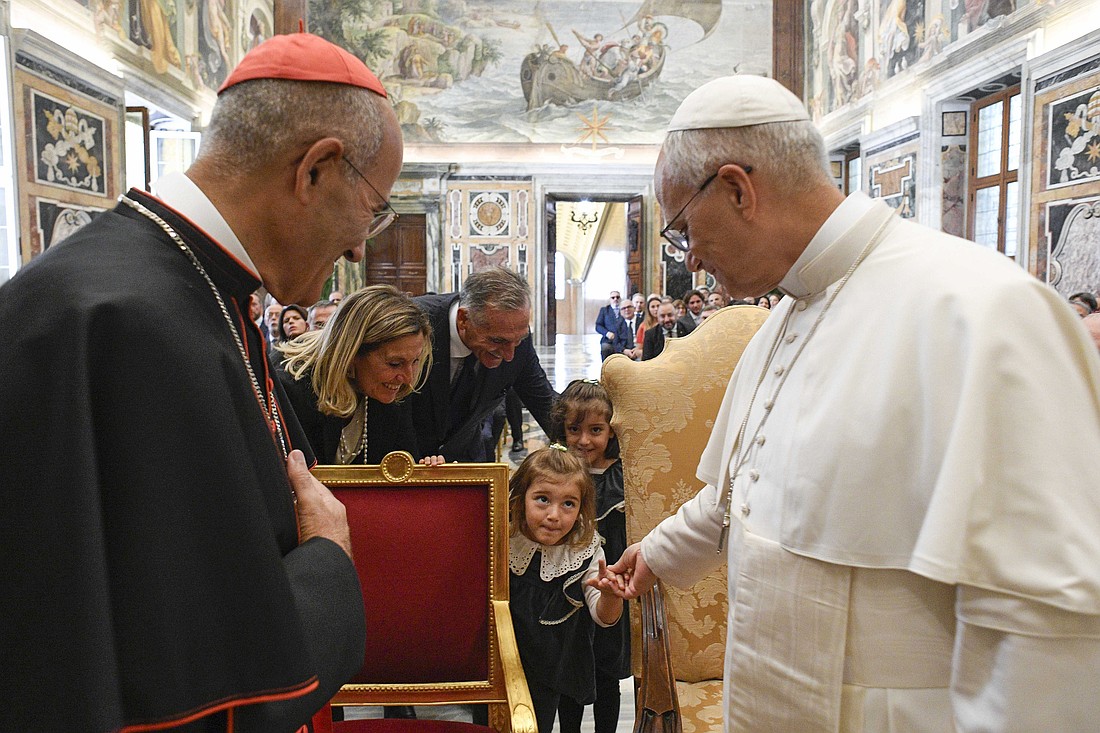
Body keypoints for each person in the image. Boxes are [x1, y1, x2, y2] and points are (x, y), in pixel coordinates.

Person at [601, 75, 1100, 731]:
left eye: (684, 228)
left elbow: (1047, 624)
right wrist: (657, 553)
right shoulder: (779, 322)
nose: (689, 258)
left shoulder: (980, 312)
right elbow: (743, 503)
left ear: (736, 188)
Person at [0, 32, 403, 731]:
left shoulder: (198, 291)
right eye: (373, 207)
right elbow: (194, 681)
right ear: (316, 170)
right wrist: (330, 562)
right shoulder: (130, 327)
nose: (362, 246)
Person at [508, 445, 624, 733]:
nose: (554, 515)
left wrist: (610, 595)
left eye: (568, 504)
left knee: (538, 725)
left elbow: (604, 616)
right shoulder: (505, 536)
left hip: (549, 667)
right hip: (501, 658)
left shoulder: (585, 549)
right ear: (521, 499)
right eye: (543, 500)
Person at [277, 285, 443, 466]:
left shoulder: (389, 388)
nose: (408, 378)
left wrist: (424, 470)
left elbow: (400, 461)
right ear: (351, 354)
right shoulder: (291, 389)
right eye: (395, 364)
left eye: (415, 361)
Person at [404, 267, 557, 462]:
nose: (509, 355)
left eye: (517, 341)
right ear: (463, 319)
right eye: (497, 341)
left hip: (468, 463)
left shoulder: (515, 339)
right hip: (402, 466)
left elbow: (545, 404)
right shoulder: (415, 321)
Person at [553, 381, 630, 733]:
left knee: (606, 673)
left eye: (595, 430)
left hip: (610, 585)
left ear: (611, 430)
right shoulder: (557, 472)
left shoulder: (623, 476)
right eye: (574, 429)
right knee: (569, 670)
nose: (584, 441)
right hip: (566, 589)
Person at [595, 290, 623, 361]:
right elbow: (598, 326)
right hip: (608, 340)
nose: (615, 299)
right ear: (610, 299)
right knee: (605, 348)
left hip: (622, 340)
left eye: (617, 297)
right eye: (613, 297)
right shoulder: (604, 310)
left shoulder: (625, 310)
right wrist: (607, 333)